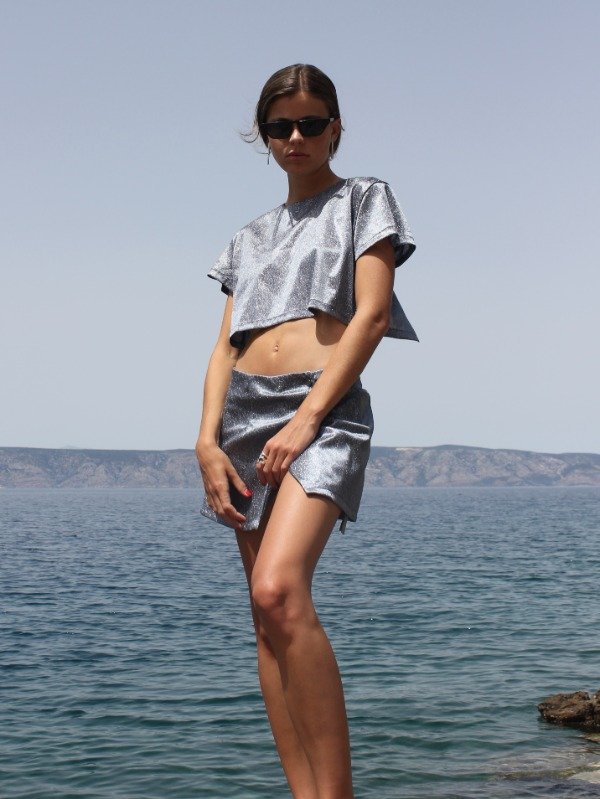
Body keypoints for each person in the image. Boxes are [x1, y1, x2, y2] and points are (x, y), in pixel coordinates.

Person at [196, 63, 417, 799]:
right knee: (265, 619)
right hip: (242, 419)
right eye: (280, 126)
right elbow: (223, 348)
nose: (296, 137)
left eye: (311, 123)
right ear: (264, 136)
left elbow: (371, 316)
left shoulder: (364, 199)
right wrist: (205, 441)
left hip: (321, 410)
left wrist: (308, 418)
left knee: (279, 589)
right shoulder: (247, 238)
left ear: (336, 127)